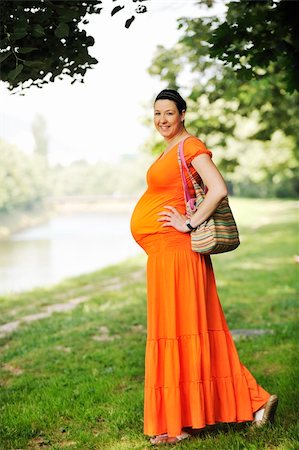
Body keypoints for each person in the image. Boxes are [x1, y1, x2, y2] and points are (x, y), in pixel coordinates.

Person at [130, 89, 278, 445]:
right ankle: (253, 402)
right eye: (157, 114)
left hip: (178, 252)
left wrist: (190, 222)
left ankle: (178, 424)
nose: (162, 119)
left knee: (182, 332)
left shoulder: (190, 146)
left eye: (169, 113)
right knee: (186, 331)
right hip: (164, 256)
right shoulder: (169, 148)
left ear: (182, 113)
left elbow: (217, 188)